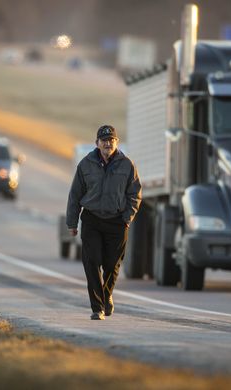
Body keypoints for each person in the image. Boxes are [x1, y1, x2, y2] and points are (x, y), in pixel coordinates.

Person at [66, 125, 142, 320]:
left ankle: (106, 296)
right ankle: (97, 308)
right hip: (92, 219)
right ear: (97, 143)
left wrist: (127, 217)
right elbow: (75, 195)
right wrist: (72, 223)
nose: (108, 143)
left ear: (116, 142)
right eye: (104, 140)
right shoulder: (85, 164)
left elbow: (135, 194)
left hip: (117, 221)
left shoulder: (127, 164)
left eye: (111, 140)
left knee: (112, 264)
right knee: (92, 262)